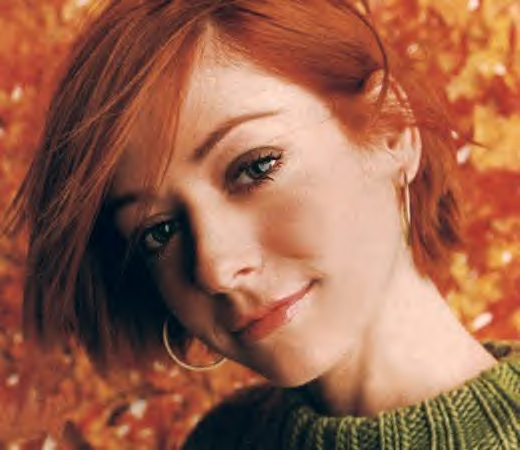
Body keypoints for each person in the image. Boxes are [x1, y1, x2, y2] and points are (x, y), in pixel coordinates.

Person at [7, 0, 519, 448]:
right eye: (158, 231)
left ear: (392, 132)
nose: (215, 267)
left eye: (256, 168)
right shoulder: (224, 438)